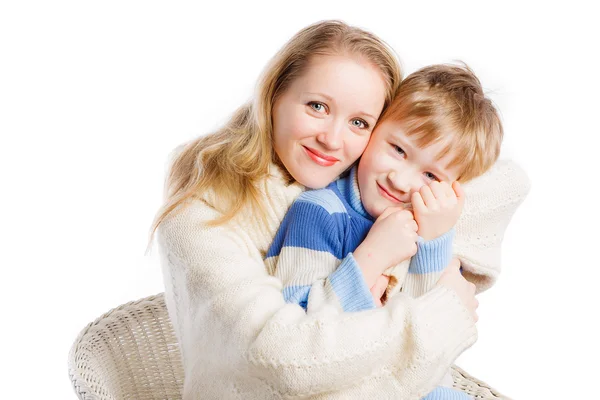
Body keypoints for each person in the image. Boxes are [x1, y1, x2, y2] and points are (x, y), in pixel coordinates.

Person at [149, 20, 489, 399]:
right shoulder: (203, 216)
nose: (331, 139)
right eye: (317, 106)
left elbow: (503, 179)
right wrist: (444, 312)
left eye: (359, 122)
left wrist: (435, 235)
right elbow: (286, 363)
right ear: (273, 95)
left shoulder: (363, 184)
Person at [265, 63, 504, 400]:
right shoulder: (320, 212)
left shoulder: (424, 225)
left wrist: (432, 243)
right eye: (398, 149)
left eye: (431, 176)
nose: (401, 180)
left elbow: (426, 343)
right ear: (375, 127)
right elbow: (296, 335)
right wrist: (372, 256)